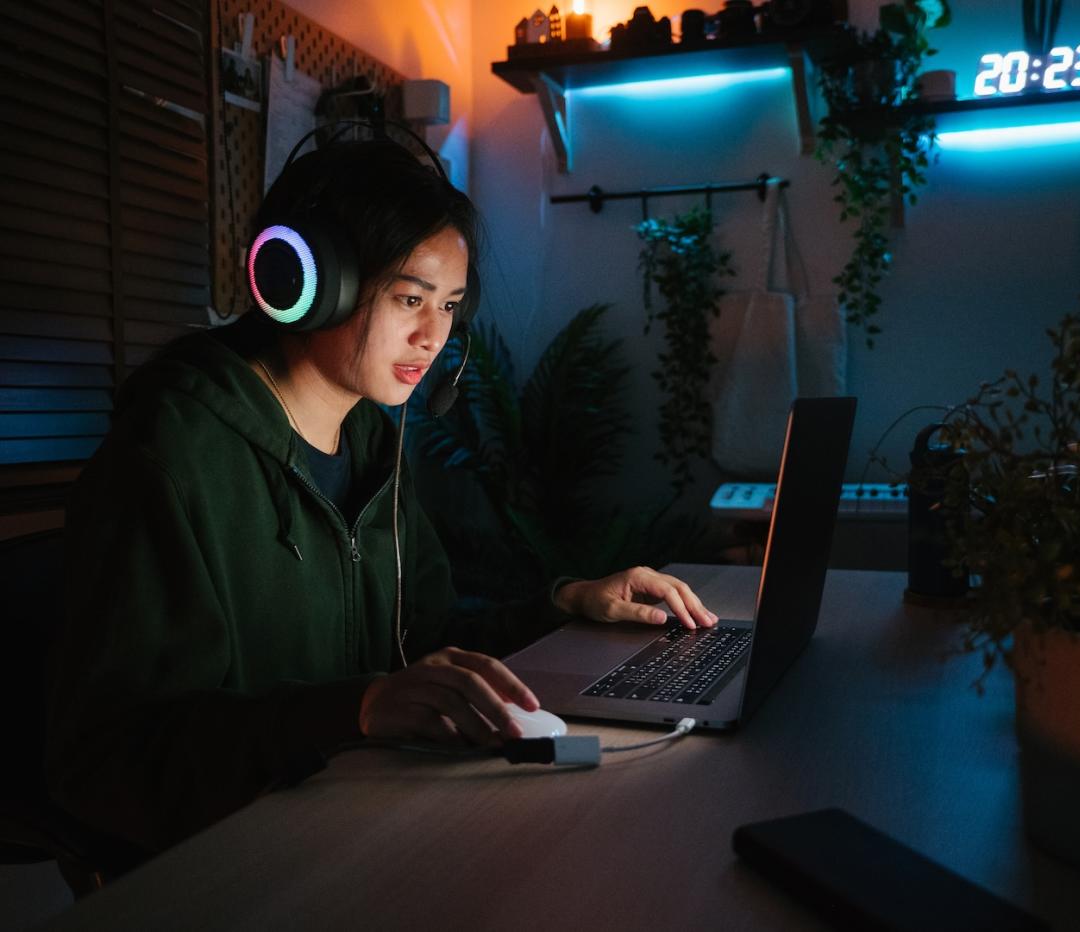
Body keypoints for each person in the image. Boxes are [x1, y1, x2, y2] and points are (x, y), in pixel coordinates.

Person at [44, 133, 716, 870]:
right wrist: (354, 710)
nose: (434, 337)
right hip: (234, 866)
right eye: (408, 299)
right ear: (303, 281)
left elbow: (419, 642)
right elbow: (109, 759)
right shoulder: (171, 459)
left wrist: (569, 601)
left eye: (450, 306)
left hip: (363, 824)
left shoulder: (372, 442)